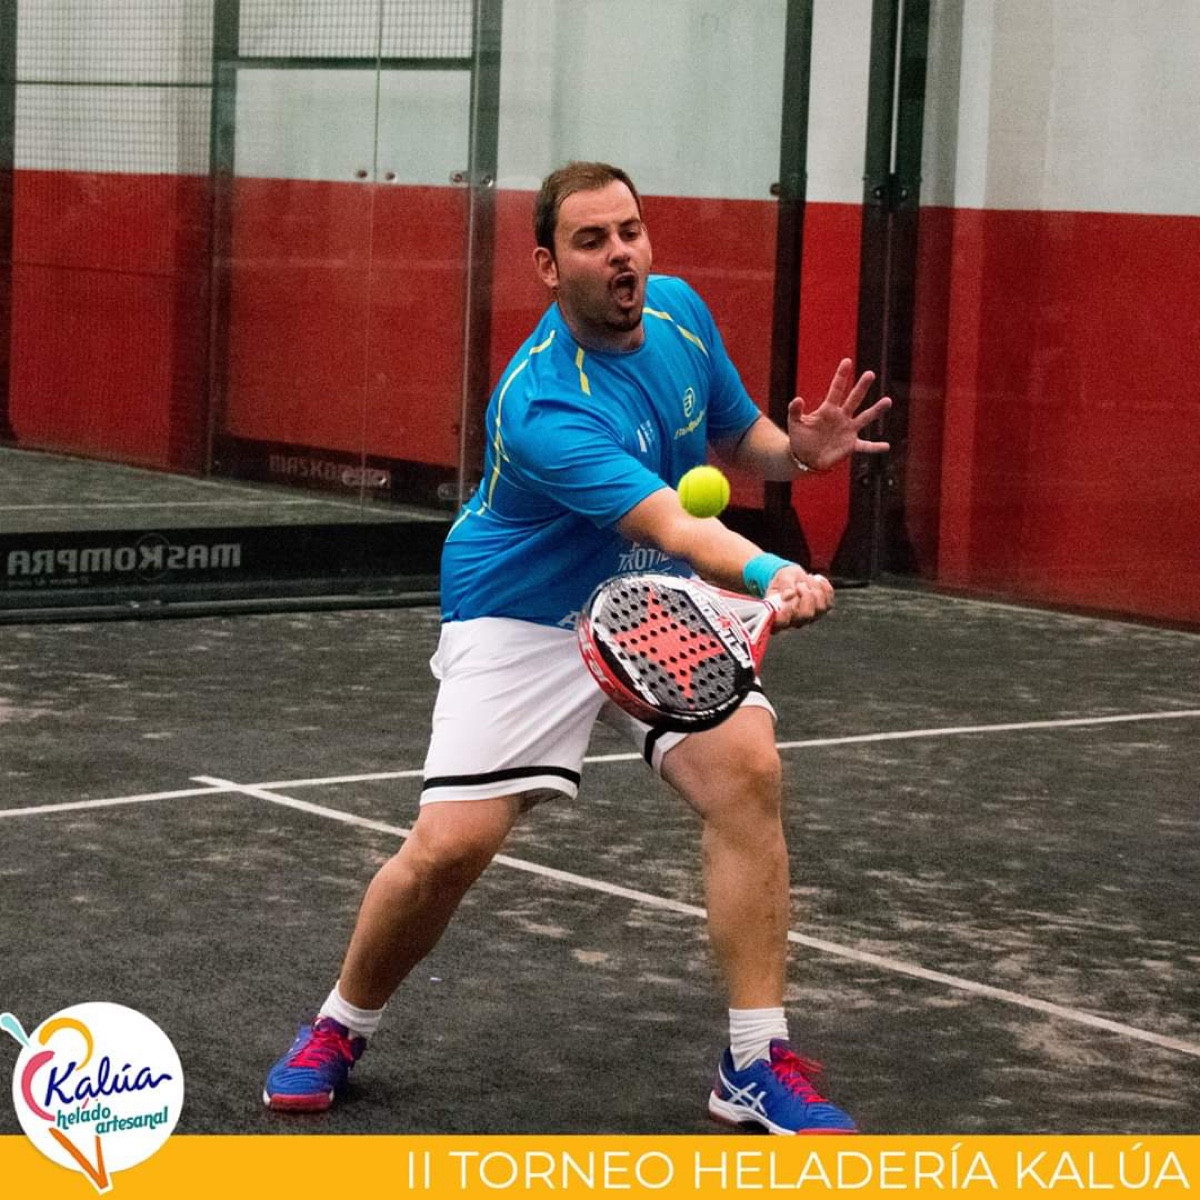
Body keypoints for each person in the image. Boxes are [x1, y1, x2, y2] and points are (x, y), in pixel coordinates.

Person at [263, 161, 890, 1134]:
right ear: (550, 268)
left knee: (748, 775)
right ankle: (341, 1025)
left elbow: (738, 436)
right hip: (523, 610)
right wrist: (772, 574)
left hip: (650, 594)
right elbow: (676, 522)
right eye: (592, 241)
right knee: (450, 850)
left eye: (630, 231)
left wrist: (798, 452)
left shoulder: (680, 314)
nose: (621, 255)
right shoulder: (543, 403)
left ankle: (754, 1059)